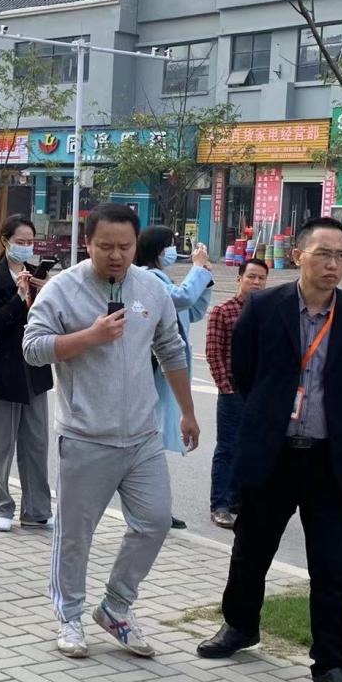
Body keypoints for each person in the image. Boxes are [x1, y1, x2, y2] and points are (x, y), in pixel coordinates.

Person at [196, 216, 342, 682]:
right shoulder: (263, 307)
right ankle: (240, 625)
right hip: (272, 453)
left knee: (331, 565)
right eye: (323, 254)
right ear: (298, 255)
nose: (333, 265)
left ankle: (331, 665)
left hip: (327, 457)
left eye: (340, 255)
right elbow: (245, 372)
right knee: (251, 548)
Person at [23, 204, 199, 659]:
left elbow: (171, 348)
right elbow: (33, 348)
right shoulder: (63, 289)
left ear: (137, 245)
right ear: (88, 244)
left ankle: (116, 607)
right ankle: (69, 616)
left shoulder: (152, 288)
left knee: (155, 522)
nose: (116, 255)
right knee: (75, 534)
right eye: (105, 246)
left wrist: (187, 412)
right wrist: (91, 336)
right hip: (85, 435)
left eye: (125, 246)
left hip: (142, 436)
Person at [0, 215, 53, 533]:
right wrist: (19, 297)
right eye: (20, 241)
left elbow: (54, 320)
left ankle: (37, 510)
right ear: (5, 241)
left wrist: (47, 292)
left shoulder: (36, 275)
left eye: (30, 242)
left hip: (34, 370)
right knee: (1, 445)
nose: (26, 247)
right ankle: (1, 506)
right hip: (4, 371)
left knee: (36, 444)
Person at [135, 226, 214, 530]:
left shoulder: (163, 278)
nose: (174, 250)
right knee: (151, 442)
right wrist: (198, 268)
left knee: (156, 442)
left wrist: (205, 279)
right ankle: (151, 509)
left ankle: (156, 509)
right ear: (157, 249)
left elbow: (191, 311)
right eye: (170, 245)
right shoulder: (148, 279)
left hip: (169, 372)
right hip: (155, 371)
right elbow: (181, 298)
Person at [204, 258, 270, 528]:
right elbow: (213, 352)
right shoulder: (223, 311)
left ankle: (237, 499)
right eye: (251, 277)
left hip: (260, 393)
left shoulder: (269, 312)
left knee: (253, 448)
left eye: (261, 278)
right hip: (233, 390)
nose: (256, 282)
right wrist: (226, 387)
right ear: (239, 279)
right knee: (228, 448)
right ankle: (220, 504)